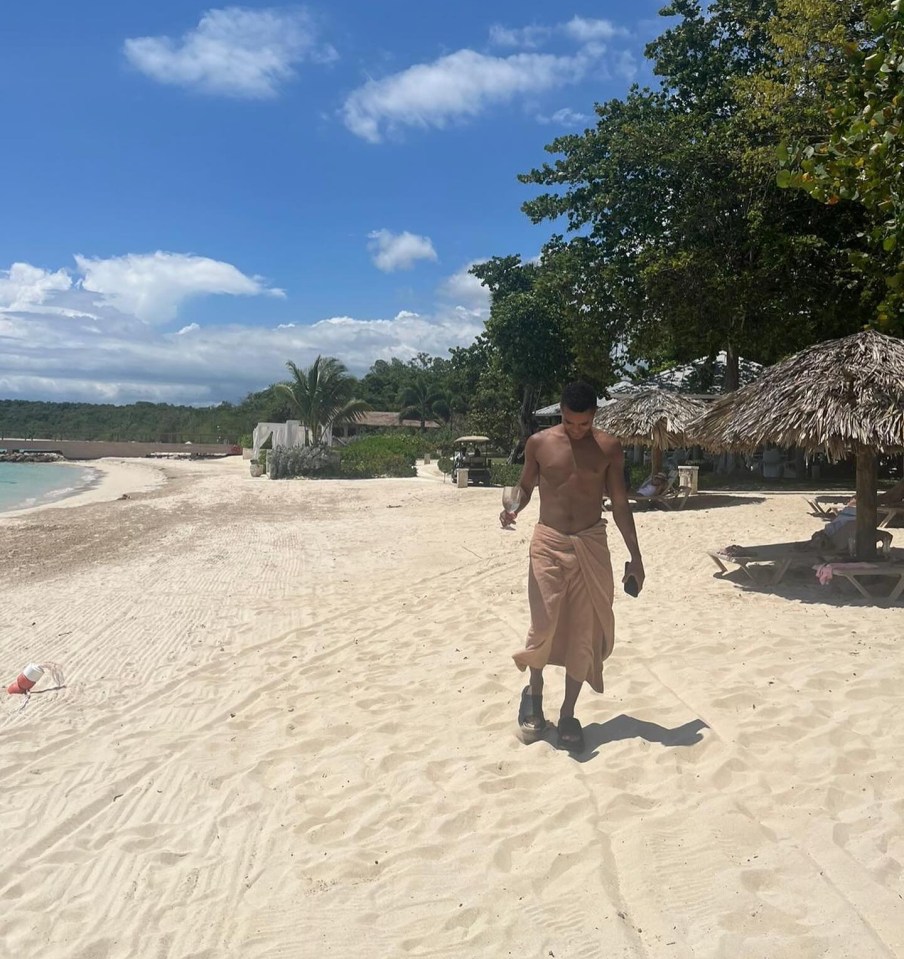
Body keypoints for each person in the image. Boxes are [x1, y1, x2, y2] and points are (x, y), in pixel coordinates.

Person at [500, 381, 645, 752]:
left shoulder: (608, 447)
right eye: (570, 422)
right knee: (545, 622)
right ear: (560, 412)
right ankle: (534, 693)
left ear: (594, 415)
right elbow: (526, 487)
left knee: (585, 629)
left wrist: (636, 556)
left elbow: (620, 502)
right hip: (548, 542)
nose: (577, 430)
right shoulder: (539, 443)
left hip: (591, 542)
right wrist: (513, 506)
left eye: (584, 423)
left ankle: (567, 714)